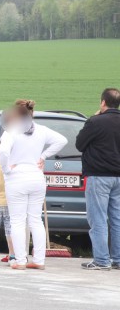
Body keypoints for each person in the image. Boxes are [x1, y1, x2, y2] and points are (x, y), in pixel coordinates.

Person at [0, 99, 67, 270]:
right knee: (36, 220)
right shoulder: (41, 130)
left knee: (17, 221)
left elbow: (4, 151)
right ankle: (39, 260)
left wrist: (6, 169)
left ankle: (20, 260)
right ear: (31, 113)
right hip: (37, 177)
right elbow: (62, 140)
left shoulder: (11, 131)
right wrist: (43, 156)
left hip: (16, 178)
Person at [76, 88, 120, 270]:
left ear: (103, 102)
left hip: (99, 176)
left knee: (98, 219)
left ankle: (101, 260)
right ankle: (117, 259)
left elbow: (79, 144)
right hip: (118, 177)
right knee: (117, 219)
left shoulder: (96, 122)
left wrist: (92, 118)